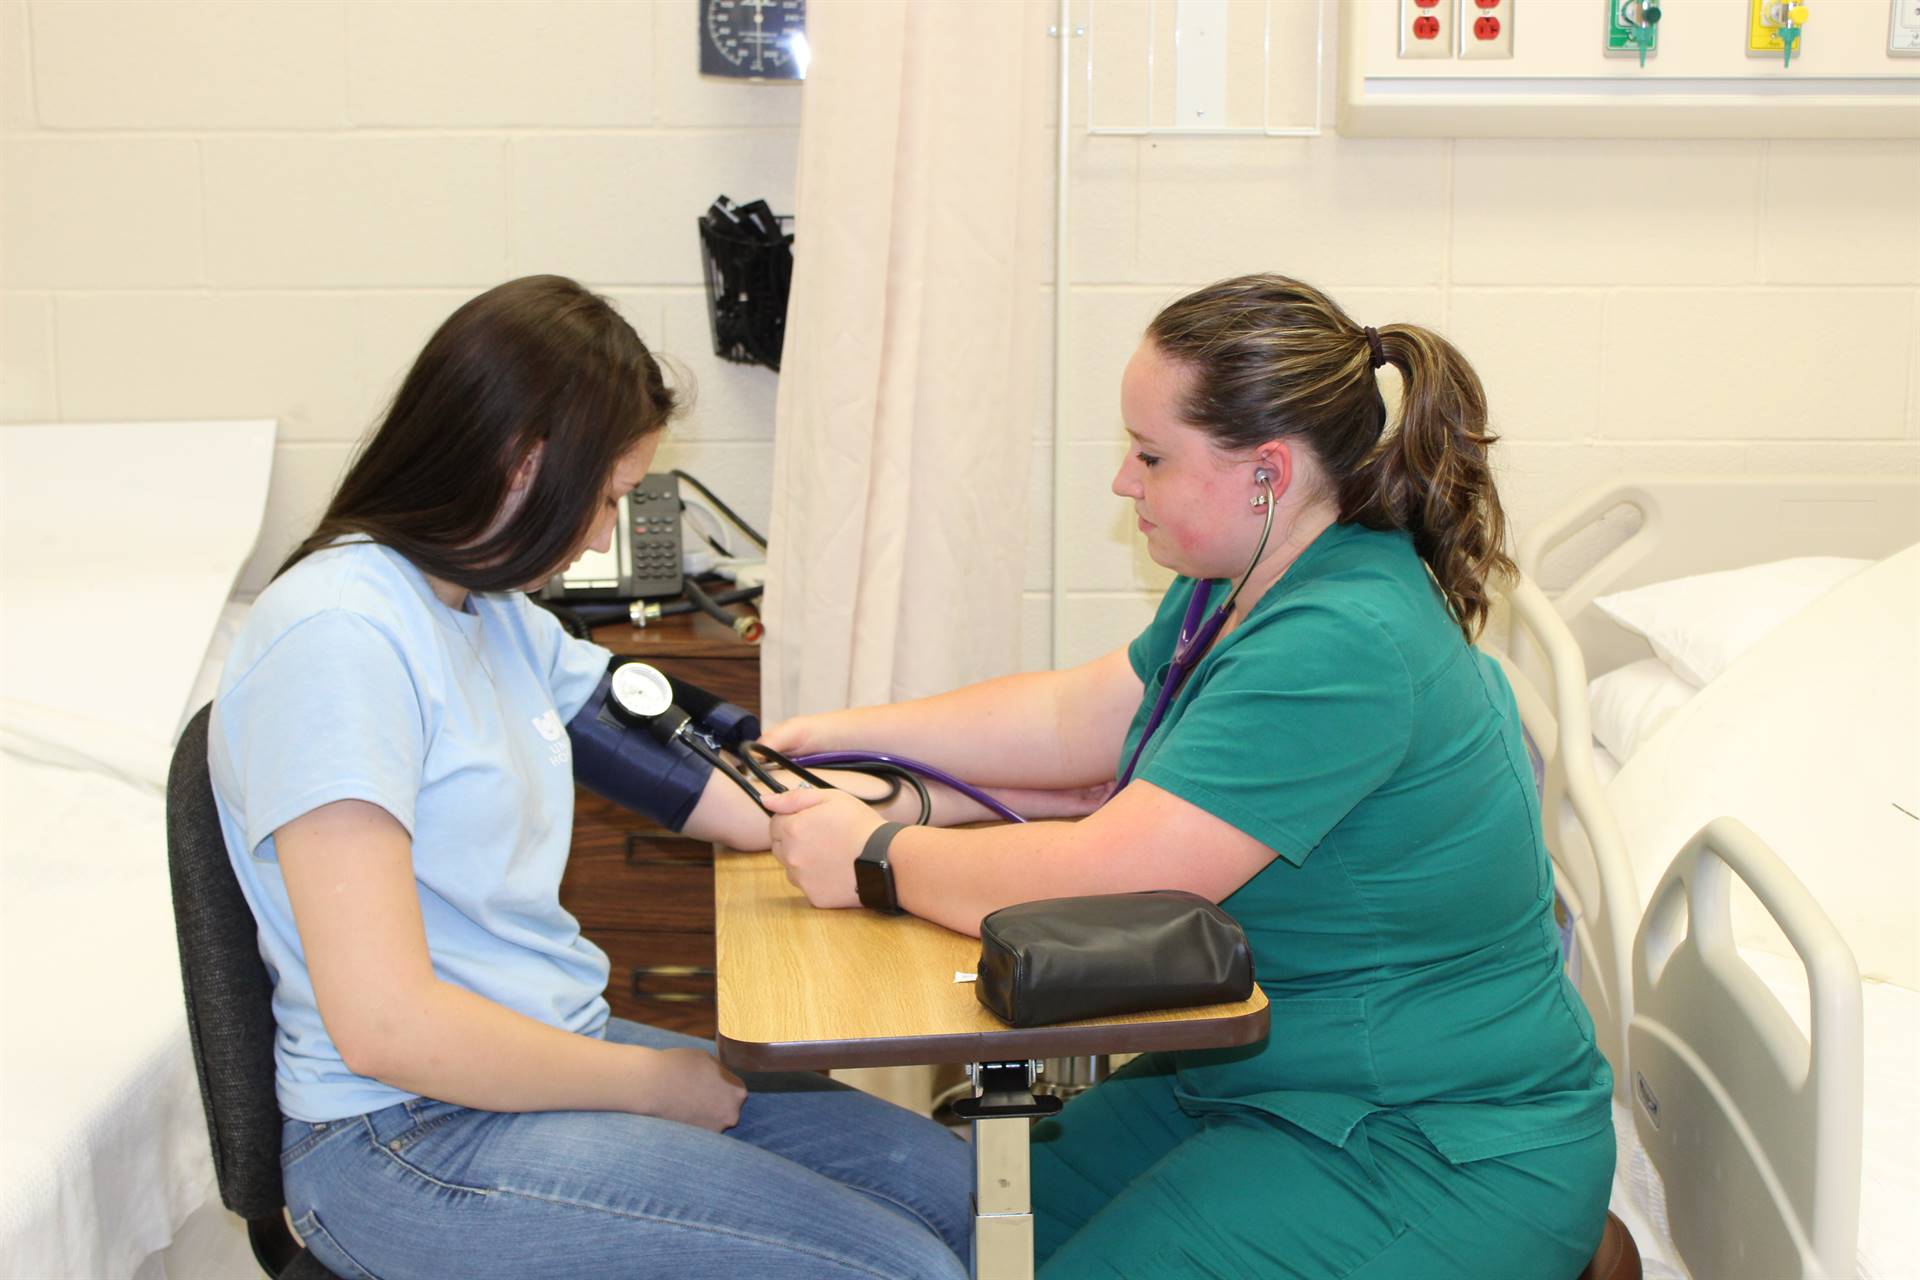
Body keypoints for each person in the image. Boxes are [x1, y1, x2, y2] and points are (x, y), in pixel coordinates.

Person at [760, 274, 1616, 1279]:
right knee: (960, 1232)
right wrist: (837, 738)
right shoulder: (1242, 585)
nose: (1125, 481)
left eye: (1151, 455)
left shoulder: (1344, 638)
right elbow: (1076, 718)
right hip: (1252, 1076)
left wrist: (875, 857)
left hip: (1429, 1143)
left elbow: (1110, 877)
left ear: (1267, 471)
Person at [207, 275, 973, 1280]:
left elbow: (714, 784)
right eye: (608, 496)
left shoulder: (490, 613)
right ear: (526, 465)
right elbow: (387, 1023)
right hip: (406, 1135)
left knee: (947, 1190)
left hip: (543, 1055)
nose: (607, 534)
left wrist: (954, 809)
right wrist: (647, 1082)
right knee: (898, 1268)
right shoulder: (340, 638)